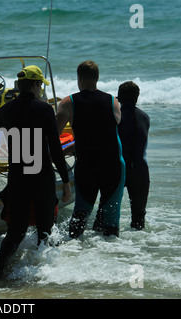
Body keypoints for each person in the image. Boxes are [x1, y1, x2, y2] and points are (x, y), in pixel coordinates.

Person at [0, 65, 71, 279]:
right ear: (37, 85)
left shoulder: (6, 110)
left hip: (18, 176)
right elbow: (55, 148)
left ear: (20, 86)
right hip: (41, 175)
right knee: (45, 227)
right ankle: (42, 274)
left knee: (16, 229)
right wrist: (65, 181)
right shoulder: (44, 109)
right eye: (41, 85)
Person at [56, 60, 125, 238]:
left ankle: (72, 254)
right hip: (113, 166)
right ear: (97, 78)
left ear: (78, 78)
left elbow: (53, 135)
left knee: (80, 215)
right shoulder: (113, 101)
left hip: (87, 167)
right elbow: (108, 132)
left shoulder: (68, 102)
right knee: (111, 219)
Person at [116, 81, 150, 230]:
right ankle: (138, 248)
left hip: (119, 168)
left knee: (105, 212)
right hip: (140, 169)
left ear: (119, 98)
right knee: (138, 217)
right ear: (136, 98)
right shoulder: (145, 117)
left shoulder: (115, 117)